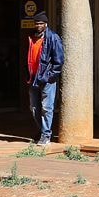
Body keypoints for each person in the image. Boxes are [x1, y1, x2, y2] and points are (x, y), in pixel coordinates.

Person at [25, 11, 64, 146]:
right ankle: (43, 131)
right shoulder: (32, 37)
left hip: (46, 79)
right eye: (36, 23)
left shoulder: (53, 38)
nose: (38, 25)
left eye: (41, 23)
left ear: (46, 24)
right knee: (34, 107)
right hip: (33, 78)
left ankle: (46, 135)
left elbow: (58, 60)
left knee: (47, 108)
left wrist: (50, 76)